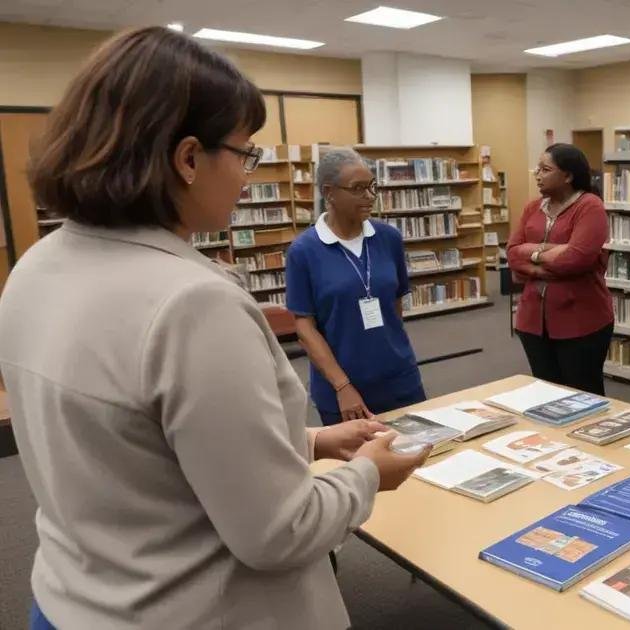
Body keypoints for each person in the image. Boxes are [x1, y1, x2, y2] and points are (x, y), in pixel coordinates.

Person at [0, 27, 427, 630]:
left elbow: (134, 441)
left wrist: (307, 442)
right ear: (189, 158)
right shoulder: (193, 302)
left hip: (73, 598)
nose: (250, 175)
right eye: (245, 152)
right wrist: (365, 477)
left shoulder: (35, 268)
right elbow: (279, 531)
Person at [286, 147, 427, 425]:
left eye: (372, 186)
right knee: (357, 465)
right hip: (343, 390)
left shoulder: (388, 238)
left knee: (419, 457)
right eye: (358, 188)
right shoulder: (303, 251)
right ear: (329, 193)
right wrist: (342, 386)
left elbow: (395, 306)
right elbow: (304, 328)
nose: (370, 196)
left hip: (400, 378)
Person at [507, 143, 614, 395]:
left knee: (584, 395)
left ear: (567, 175)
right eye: (538, 169)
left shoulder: (590, 206)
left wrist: (530, 258)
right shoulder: (532, 208)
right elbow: (512, 253)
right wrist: (546, 255)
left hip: (581, 321)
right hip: (532, 321)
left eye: (546, 169)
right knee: (546, 394)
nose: (538, 175)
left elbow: (575, 259)